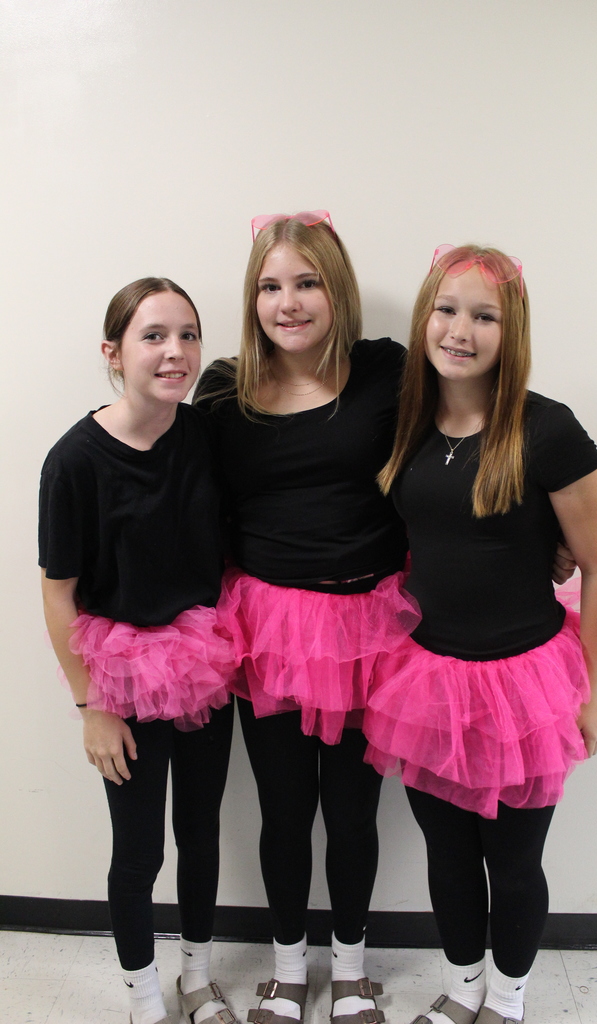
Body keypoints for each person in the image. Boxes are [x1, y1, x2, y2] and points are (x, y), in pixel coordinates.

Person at [363, 245, 597, 1024]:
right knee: (447, 853)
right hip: (427, 680)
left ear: (511, 333)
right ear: (423, 318)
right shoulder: (406, 423)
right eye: (446, 309)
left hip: (524, 685)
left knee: (511, 864)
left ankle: (505, 1002)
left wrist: (587, 690)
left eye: (484, 316)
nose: (460, 329)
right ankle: (463, 986)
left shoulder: (546, 430)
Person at [193, 211, 423, 1024]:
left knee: (355, 813)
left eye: (305, 282)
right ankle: (289, 969)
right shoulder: (222, 385)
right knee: (284, 811)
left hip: (369, 626)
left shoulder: (387, 371)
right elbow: (190, 502)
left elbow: (458, 448)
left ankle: (352, 969)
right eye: (269, 285)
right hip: (266, 628)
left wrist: (537, 541)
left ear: (337, 290)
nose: (286, 302)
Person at [40, 279, 237, 1024]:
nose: (175, 351)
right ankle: (143, 996)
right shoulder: (74, 461)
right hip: (120, 676)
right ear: (113, 352)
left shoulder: (203, 434)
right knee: (139, 848)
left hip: (201, 661)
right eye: (154, 335)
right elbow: (58, 594)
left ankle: (195, 976)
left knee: (201, 829)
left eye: (187, 334)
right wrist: (91, 705)